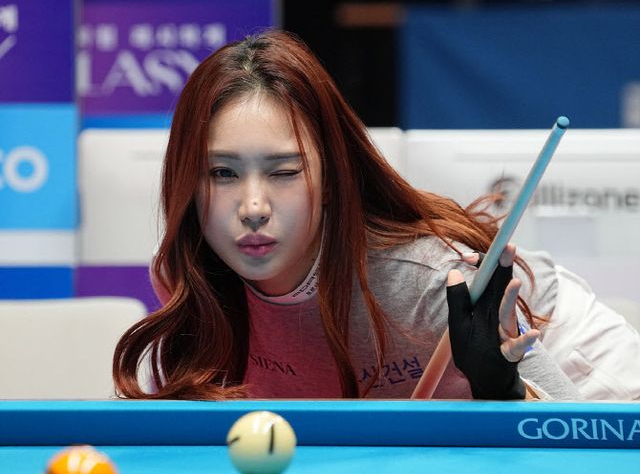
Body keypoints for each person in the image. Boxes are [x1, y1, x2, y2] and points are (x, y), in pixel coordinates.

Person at [113, 30, 639, 402]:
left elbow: (572, 438)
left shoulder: (430, 281)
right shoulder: (189, 278)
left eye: (284, 172)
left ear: (330, 180)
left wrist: (507, 390)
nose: (252, 208)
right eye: (222, 173)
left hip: (568, 362)